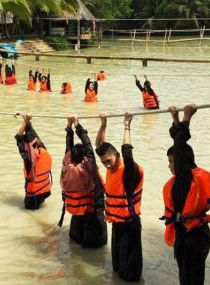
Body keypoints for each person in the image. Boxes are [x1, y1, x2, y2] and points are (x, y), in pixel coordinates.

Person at [161, 104, 210, 285]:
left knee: (190, 280)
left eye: (171, 161)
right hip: (196, 233)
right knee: (191, 277)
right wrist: (175, 120)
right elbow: (180, 148)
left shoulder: (185, 181)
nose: (169, 166)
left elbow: (179, 146)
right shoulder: (188, 179)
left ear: (182, 162)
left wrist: (186, 117)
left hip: (192, 239)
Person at [95, 112, 144, 282]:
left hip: (130, 225)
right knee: (117, 267)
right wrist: (103, 124)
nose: (106, 165)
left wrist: (127, 125)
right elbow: (99, 145)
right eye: (103, 163)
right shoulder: (111, 169)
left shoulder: (128, 171)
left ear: (117, 155)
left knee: (129, 273)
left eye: (108, 161)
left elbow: (127, 152)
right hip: (117, 223)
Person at [58, 115, 107, 248]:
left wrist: (70, 126)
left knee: (75, 247)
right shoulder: (88, 168)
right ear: (85, 157)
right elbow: (89, 147)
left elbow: (69, 148)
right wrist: (77, 125)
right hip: (92, 217)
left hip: (76, 216)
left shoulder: (67, 167)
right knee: (93, 251)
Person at [15, 114, 52, 210]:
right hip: (44, 192)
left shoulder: (28, 158)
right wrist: (26, 119)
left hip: (33, 198)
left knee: (29, 209)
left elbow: (18, 137)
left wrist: (25, 121)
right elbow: (32, 133)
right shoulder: (43, 150)